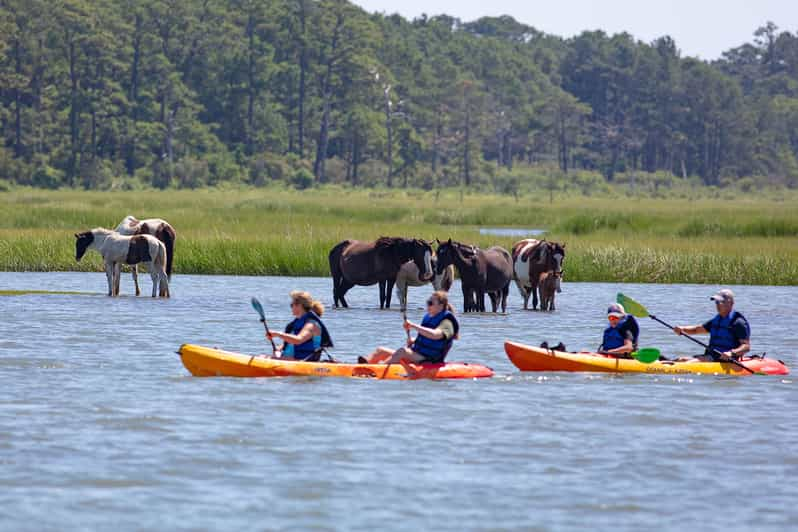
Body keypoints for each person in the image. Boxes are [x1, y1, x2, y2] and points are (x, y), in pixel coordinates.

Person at [364, 290, 459, 365]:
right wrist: (413, 341)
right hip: (417, 354)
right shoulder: (429, 318)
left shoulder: (447, 322)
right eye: (427, 302)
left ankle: (378, 371)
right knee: (381, 351)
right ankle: (364, 367)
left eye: (431, 303)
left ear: (441, 306)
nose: (428, 305)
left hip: (429, 358)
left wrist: (413, 325)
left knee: (402, 351)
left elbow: (435, 335)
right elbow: (427, 339)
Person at [673, 288, 750, 361]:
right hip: (711, 356)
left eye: (721, 302)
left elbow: (746, 347)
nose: (718, 305)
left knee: (691, 363)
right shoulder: (716, 320)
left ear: (731, 303)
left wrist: (732, 353)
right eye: (716, 302)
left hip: (726, 359)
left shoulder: (738, 323)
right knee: (681, 359)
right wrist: (682, 329)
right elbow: (696, 330)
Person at [267, 290, 333, 361]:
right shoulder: (296, 324)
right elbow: (290, 344)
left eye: (292, 305)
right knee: (263, 357)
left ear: (299, 305)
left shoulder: (312, 325)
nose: (291, 307)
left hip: (303, 361)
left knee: (264, 358)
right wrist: (279, 349)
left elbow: (298, 340)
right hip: (288, 360)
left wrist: (278, 334)